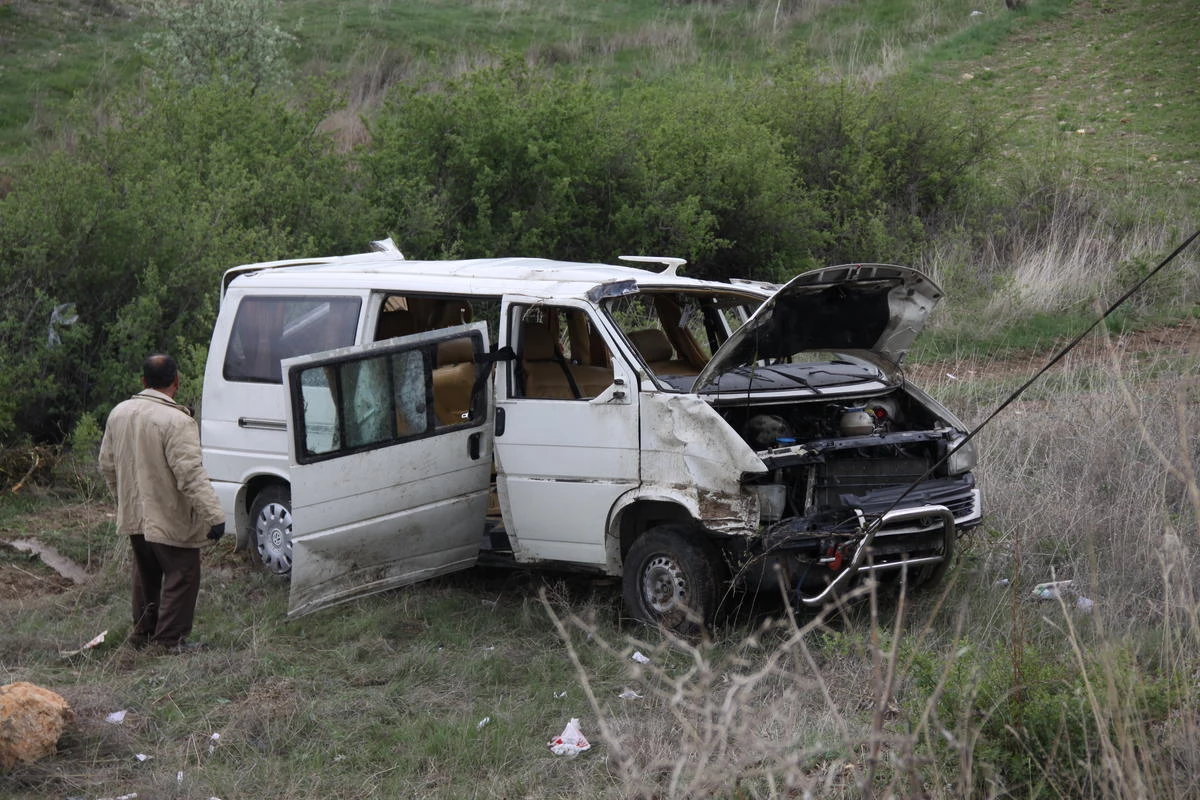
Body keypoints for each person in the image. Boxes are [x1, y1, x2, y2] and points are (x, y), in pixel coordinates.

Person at [99, 353, 225, 653]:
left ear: (143, 382)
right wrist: (215, 516)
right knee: (183, 574)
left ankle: (144, 634)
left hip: (135, 514)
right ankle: (169, 642)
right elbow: (190, 474)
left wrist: (123, 500)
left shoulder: (119, 413)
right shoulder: (177, 421)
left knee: (146, 574)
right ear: (177, 382)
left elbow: (106, 464)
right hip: (170, 515)